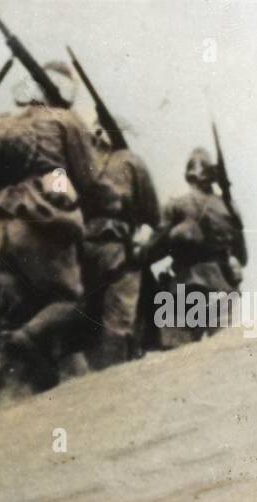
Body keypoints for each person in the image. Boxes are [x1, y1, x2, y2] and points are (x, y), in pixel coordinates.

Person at [0, 62, 101, 402]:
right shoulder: (66, 121)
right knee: (67, 303)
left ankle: (17, 384)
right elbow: (89, 178)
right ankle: (21, 347)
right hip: (44, 219)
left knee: (19, 316)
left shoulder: (4, 125)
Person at [141, 147, 248, 348]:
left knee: (176, 358)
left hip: (185, 285)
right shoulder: (230, 206)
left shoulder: (177, 206)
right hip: (223, 286)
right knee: (226, 351)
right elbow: (242, 256)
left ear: (188, 176)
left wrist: (140, 254)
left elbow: (154, 250)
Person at [81, 124, 160, 365]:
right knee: (118, 323)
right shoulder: (130, 161)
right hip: (117, 250)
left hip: (80, 251)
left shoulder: (78, 162)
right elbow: (154, 214)